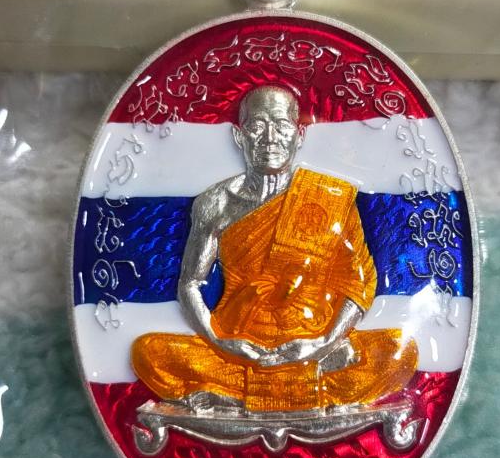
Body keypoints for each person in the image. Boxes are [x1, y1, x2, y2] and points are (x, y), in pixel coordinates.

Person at [131, 86, 418, 413]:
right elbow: (190, 284)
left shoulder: (329, 196)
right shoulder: (216, 203)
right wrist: (219, 340)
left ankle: (239, 395)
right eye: (257, 126)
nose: (270, 138)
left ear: (299, 135)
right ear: (240, 136)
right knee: (150, 352)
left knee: (398, 351)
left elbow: (359, 282)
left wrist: (325, 342)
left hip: (312, 341)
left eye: (281, 126)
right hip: (240, 345)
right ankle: (304, 390)